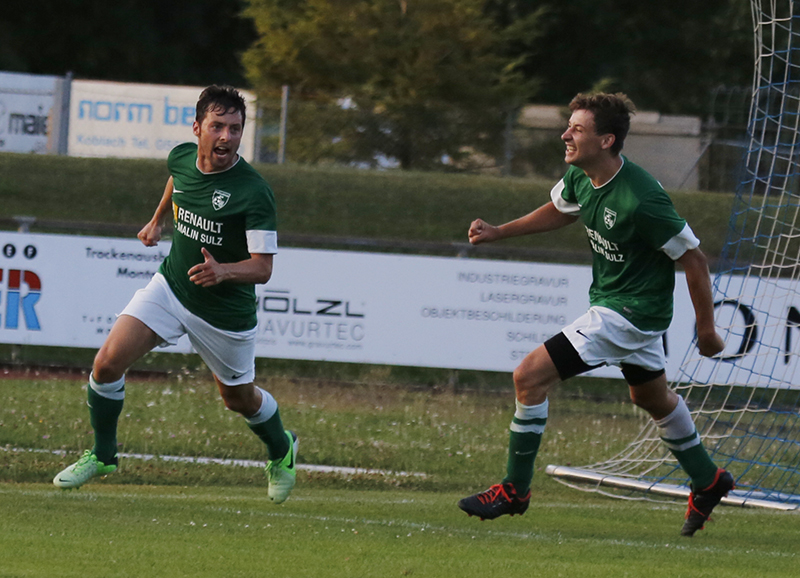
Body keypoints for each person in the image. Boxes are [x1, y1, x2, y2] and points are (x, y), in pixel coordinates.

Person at [457, 92, 733, 536]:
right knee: (651, 399)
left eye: (577, 129)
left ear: (606, 140)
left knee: (529, 377)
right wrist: (498, 232)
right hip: (620, 305)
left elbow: (695, 259)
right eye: (569, 126)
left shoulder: (642, 199)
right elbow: (561, 210)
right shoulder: (581, 175)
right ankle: (708, 479)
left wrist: (707, 330)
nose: (565, 135)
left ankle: (514, 490)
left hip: (628, 312)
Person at [53, 85, 298, 504]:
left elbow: (263, 268)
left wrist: (223, 271)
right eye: (217, 126)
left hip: (224, 313)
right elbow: (177, 181)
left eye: (235, 128)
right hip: (171, 287)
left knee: (238, 399)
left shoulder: (254, 192)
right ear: (197, 128)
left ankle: (282, 448)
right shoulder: (182, 157)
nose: (226, 137)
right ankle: (104, 454)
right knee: (106, 364)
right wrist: (157, 220)